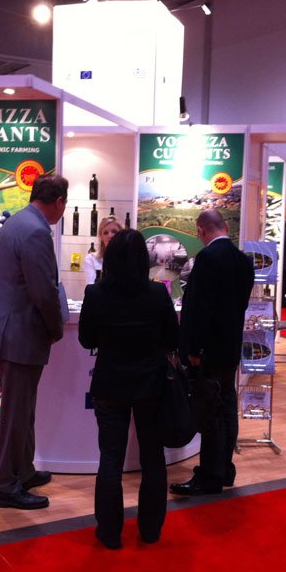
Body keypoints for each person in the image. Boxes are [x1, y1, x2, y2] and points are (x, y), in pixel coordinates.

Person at [78, 229, 179, 549]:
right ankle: (150, 530)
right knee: (153, 458)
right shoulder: (157, 293)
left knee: (110, 458)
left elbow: (86, 340)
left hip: (109, 384)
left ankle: (109, 532)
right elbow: (172, 339)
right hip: (151, 385)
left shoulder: (96, 293)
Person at [0, 175, 68, 511]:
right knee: (15, 414)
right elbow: (43, 292)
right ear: (59, 202)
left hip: (8, 332)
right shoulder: (36, 232)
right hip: (19, 335)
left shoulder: (17, 222)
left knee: (23, 409)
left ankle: (24, 471)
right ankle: (4, 485)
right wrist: (56, 328)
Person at [170, 209, 254, 497]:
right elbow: (240, 305)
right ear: (225, 226)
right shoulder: (243, 260)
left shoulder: (207, 258)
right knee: (227, 406)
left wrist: (194, 349)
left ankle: (209, 475)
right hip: (230, 346)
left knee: (210, 411)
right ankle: (225, 468)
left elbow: (199, 309)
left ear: (201, 230)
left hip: (208, 350)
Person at [84, 216, 123, 285]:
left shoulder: (128, 258)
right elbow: (91, 286)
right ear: (101, 236)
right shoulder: (91, 259)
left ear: (122, 234)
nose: (110, 235)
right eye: (105, 233)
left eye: (114, 232)